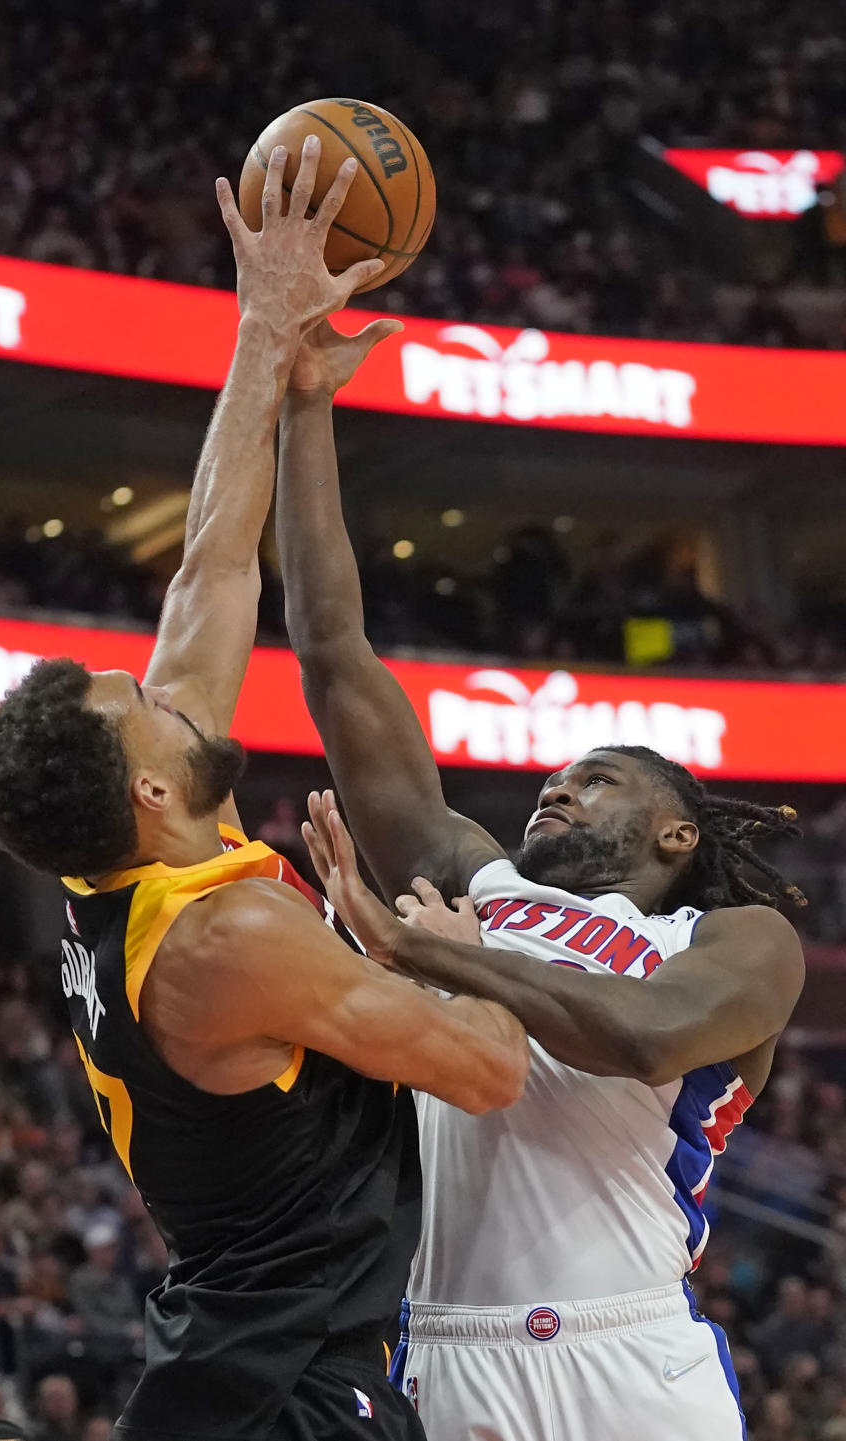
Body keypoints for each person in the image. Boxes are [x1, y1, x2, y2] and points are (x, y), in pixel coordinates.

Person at [0, 141, 530, 1441]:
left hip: (243, 1369)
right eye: (152, 706)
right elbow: (490, 1066)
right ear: (153, 789)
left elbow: (214, 568)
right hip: (283, 1399)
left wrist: (269, 339)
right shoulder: (226, 943)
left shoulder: (129, 844)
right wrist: (443, 947)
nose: (176, 688)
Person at [274, 319, 808, 1441]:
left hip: (630, 1356)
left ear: (675, 835)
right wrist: (308, 407)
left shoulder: (737, 940)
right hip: (452, 1344)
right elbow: (333, 653)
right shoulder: (477, 879)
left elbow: (652, 1040)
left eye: (598, 780)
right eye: (555, 777)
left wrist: (446, 958)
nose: (557, 790)